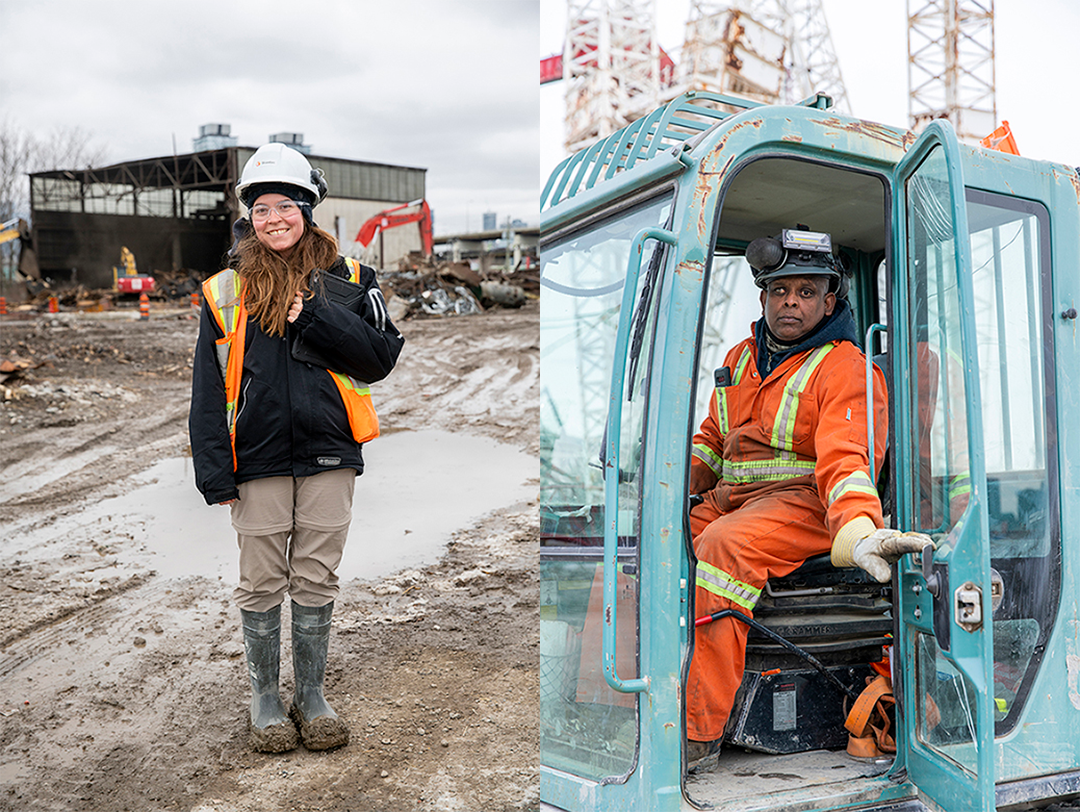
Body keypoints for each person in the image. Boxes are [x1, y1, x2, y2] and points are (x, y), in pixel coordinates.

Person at [685, 228, 929, 770]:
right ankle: (608, 704)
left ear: (829, 301)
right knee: (639, 548)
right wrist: (667, 486)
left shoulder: (845, 367)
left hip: (805, 507)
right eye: (779, 290)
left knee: (725, 549)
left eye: (805, 291)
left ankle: (697, 731)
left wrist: (859, 530)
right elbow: (711, 440)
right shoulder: (740, 358)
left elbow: (846, 460)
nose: (790, 301)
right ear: (763, 296)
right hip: (735, 500)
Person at [189, 142, 404, 753]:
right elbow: (207, 389)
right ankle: (264, 697)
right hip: (253, 457)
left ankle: (310, 695)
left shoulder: (353, 280)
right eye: (261, 209)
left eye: (286, 205)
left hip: (330, 453)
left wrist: (312, 314)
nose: (273, 218)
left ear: (307, 209)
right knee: (260, 580)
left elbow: (380, 358)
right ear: (248, 218)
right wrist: (214, 471)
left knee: (315, 577)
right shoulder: (224, 291)